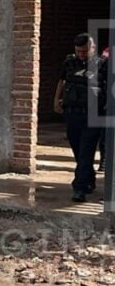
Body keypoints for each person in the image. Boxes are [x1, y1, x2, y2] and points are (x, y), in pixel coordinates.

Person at [53, 33, 108, 202]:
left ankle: (79, 188)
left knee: (86, 151)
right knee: (78, 150)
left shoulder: (102, 64)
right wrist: (56, 99)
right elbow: (62, 81)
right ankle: (89, 179)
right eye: (78, 51)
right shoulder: (70, 62)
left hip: (93, 114)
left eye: (84, 51)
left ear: (92, 48)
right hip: (72, 113)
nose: (81, 54)